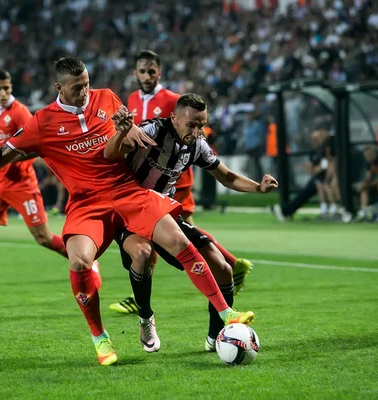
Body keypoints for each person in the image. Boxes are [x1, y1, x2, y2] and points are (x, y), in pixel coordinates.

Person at [0, 57, 255, 366]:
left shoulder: (106, 98)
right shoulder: (42, 122)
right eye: (78, 87)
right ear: (60, 88)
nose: (86, 91)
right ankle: (100, 337)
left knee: (177, 241)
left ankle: (225, 312)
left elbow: (115, 151)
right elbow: (1, 156)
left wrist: (124, 132)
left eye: (87, 83)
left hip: (126, 191)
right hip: (86, 202)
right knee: (80, 261)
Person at [104, 93, 277, 353]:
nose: (196, 131)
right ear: (174, 117)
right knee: (142, 254)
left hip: (165, 216)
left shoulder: (197, 145)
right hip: (129, 212)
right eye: (192, 124)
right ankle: (146, 319)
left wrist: (258, 188)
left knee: (223, 268)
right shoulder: (153, 130)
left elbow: (226, 176)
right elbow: (114, 151)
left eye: (202, 124)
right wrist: (123, 133)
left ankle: (216, 337)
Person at [110, 50, 253, 315]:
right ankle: (225, 271)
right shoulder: (130, 99)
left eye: (152, 70)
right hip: (140, 183)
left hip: (174, 179)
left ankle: (226, 273)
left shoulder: (175, 101)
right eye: (142, 70)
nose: (147, 75)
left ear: (159, 72)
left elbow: (193, 137)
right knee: (165, 238)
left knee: (180, 234)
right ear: (135, 73)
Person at [0, 69, 76, 311]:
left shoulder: (19, 112)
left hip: (21, 183)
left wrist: (3, 160)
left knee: (43, 238)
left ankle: (87, 263)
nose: (3, 93)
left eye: (7, 88)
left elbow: (32, 146)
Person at [356, 146, 378, 221]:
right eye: (366, 156)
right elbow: (368, 177)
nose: (368, 157)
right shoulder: (369, 163)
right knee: (364, 188)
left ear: (374, 154)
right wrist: (365, 184)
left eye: (369, 155)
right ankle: (363, 212)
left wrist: (370, 184)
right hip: (375, 184)